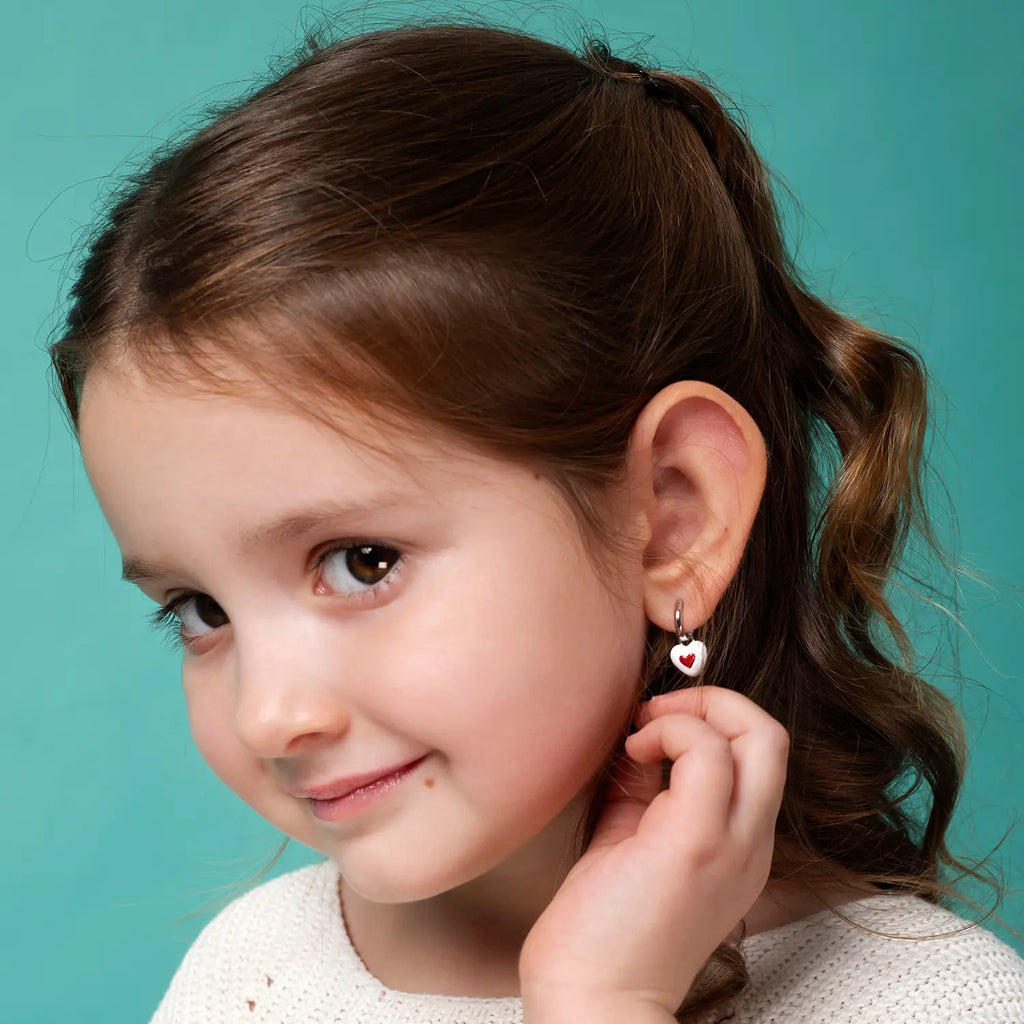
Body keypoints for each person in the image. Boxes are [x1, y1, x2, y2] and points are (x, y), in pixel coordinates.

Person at [47, 12, 1024, 1024]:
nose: (271, 715)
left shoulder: (932, 1001)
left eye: (361, 561)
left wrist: (601, 1002)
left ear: (673, 516)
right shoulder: (249, 976)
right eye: (200, 609)